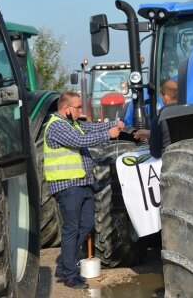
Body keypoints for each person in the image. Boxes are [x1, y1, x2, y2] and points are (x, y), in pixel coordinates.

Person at [44, 91, 124, 289]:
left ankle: (64, 265)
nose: (81, 111)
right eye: (77, 107)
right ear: (65, 108)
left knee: (87, 225)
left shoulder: (74, 124)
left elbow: (91, 127)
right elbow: (79, 141)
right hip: (67, 186)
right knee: (71, 229)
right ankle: (70, 276)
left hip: (82, 184)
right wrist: (109, 134)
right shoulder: (56, 127)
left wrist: (113, 125)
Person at [133, 78, 178, 157]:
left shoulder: (158, 120)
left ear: (166, 97)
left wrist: (153, 135)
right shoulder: (191, 113)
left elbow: (155, 153)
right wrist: (151, 133)